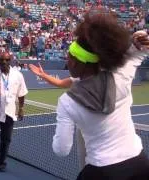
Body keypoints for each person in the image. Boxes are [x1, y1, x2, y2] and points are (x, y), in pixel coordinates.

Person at [30, 10, 149, 180]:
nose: (67, 61)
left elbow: (61, 149)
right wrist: (140, 35)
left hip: (102, 170)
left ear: (81, 63)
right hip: (139, 164)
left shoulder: (68, 102)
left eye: (70, 58)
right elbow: (139, 50)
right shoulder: (121, 75)